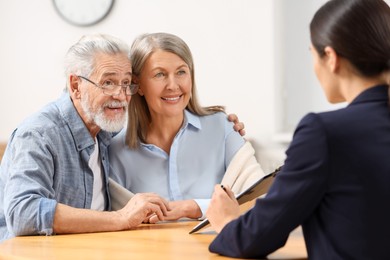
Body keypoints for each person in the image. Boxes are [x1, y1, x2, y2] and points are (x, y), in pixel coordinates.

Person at [0, 34, 245, 242]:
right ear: (75, 85)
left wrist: (223, 122)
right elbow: (23, 212)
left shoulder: (105, 133)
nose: (120, 94)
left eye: (126, 83)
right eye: (108, 82)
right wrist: (120, 217)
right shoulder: (40, 133)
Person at [206, 0, 390, 259]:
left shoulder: (324, 133)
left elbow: (254, 238)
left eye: (312, 55)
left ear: (331, 58)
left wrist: (226, 221)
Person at [109, 32, 264, 223]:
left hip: (219, 249)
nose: (173, 85)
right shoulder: (116, 150)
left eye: (181, 72)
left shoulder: (222, 128)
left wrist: (192, 208)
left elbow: (259, 197)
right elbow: (115, 220)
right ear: (137, 85)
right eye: (160, 74)